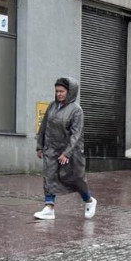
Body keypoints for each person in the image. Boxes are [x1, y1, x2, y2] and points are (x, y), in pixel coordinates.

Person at [34, 77, 95, 221]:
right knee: (49, 175)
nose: (59, 94)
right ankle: (49, 207)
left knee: (74, 179)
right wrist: (39, 145)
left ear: (70, 92)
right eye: (57, 91)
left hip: (70, 152)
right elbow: (44, 126)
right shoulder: (52, 106)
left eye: (62, 91)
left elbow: (76, 134)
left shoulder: (76, 111)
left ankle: (89, 201)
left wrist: (67, 153)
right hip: (51, 148)